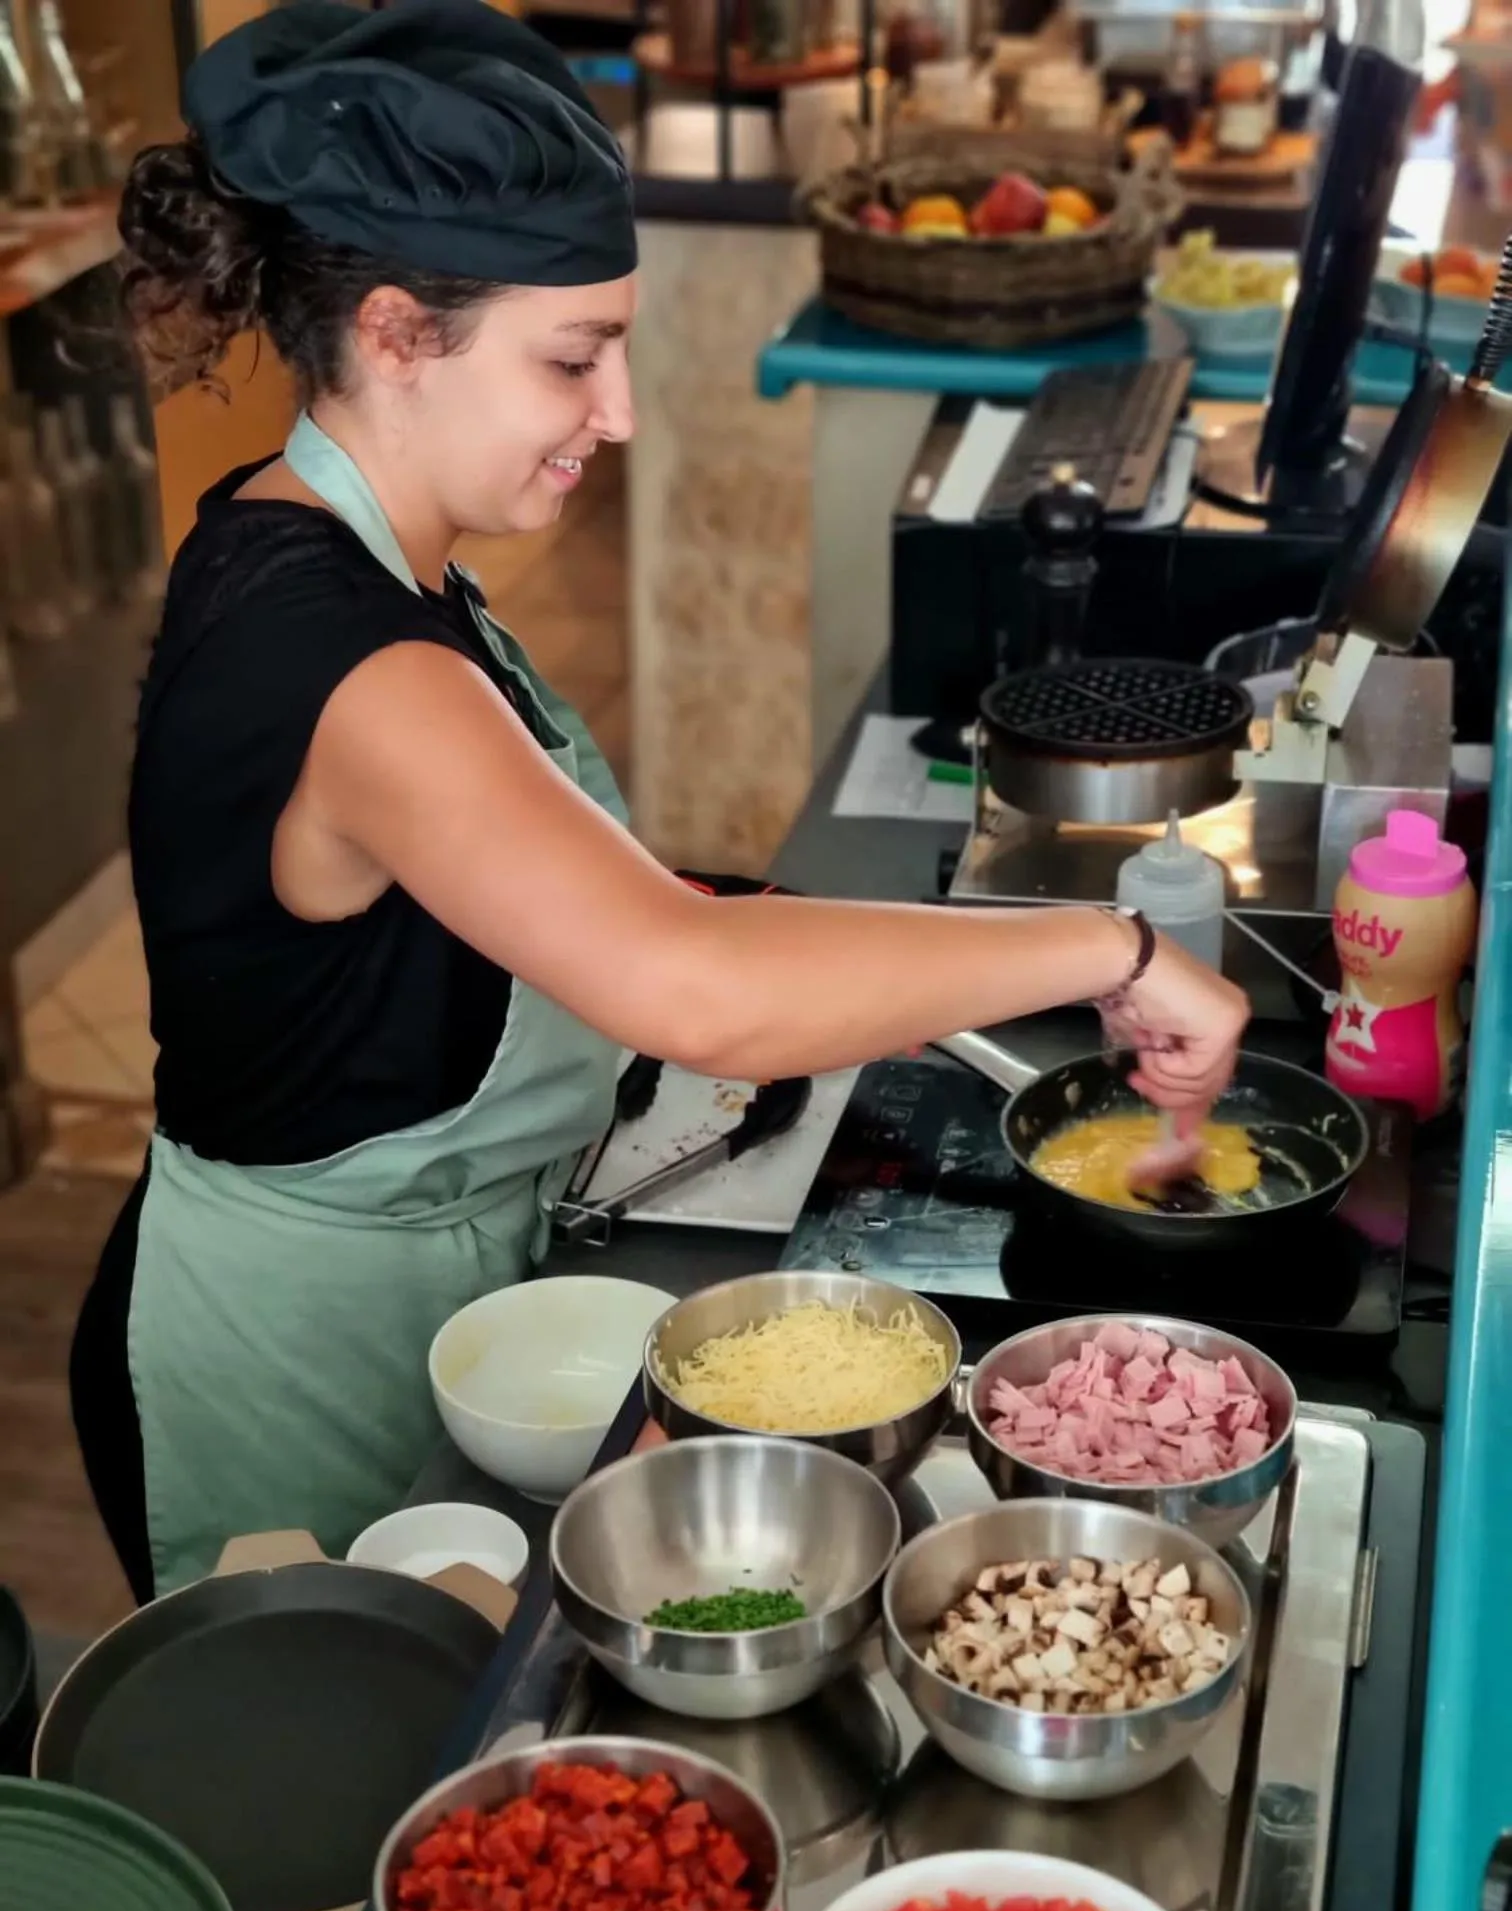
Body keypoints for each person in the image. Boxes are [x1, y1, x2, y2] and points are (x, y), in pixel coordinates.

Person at [69, 0, 1249, 1604]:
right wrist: (1113, 951)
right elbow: (695, 990)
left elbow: (643, 917)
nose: (616, 414)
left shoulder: (361, 562)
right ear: (403, 331)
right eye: (575, 355)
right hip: (297, 1350)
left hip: (448, 1267)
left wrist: (889, 974)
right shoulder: (353, 665)